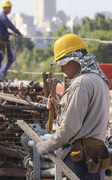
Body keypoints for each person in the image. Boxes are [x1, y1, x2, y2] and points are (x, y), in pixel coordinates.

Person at [36, 34, 110, 179]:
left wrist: (45, 146)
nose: (62, 68)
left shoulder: (80, 83)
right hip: (95, 157)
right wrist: (59, 106)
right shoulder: (99, 80)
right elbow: (87, 118)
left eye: (63, 63)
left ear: (73, 60)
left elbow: (69, 128)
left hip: (80, 160)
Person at [0, 0, 23, 82]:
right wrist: (19, 33)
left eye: (10, 8)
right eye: (9, 8)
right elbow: (10, 25)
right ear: (4, 8)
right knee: (10, 58)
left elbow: (0, 29)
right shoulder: (3, 17)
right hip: (2, 42)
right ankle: (1, 74)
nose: (10, 9)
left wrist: (9, 34)